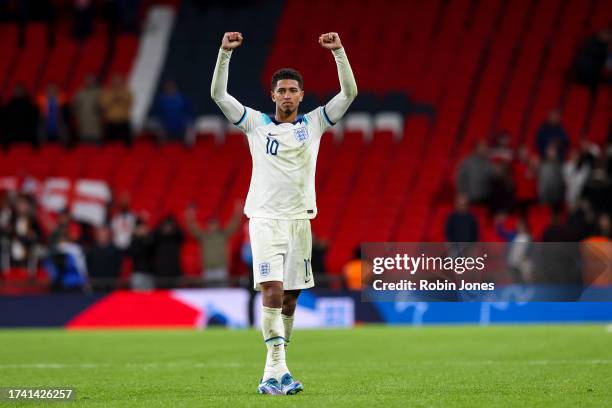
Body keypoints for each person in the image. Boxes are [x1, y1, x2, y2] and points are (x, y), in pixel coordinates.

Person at [211, 31, 357, 395]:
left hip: (300, 222)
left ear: (301, 95)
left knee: (291, 297)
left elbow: (349, 94)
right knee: (272, 291)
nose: (288, 95)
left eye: (293, 90)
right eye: (282, 90)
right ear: (272, 95)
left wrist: (339, 51)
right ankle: (273, 371)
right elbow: (218, 95)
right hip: (264, 220)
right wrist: (224, 54)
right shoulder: (255, 124)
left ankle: (277, 370)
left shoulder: (315, 124)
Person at [185, 200, 242, 287]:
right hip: (208, 270)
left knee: (222, 292)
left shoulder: (223, 235)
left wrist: (238, 211)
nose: (212, 226)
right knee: (209, 293)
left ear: (218, 224)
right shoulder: (203, 237)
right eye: (210, 224)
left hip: (221, 269)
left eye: (214, 223)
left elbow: (234, 224)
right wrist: (190, 215)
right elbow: (191, 227)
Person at [0, 84, 40, 149]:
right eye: (16, 90)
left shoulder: (30, 104)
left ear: (24, 92)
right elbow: (4, 119)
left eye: (20, 90)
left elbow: (34, 118)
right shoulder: (9, 104)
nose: (18, 92)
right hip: (12, 131)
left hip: (26, 131)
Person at [100, 73, 133, 145]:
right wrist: (114, 99)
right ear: (112, 82)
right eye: (115, 81)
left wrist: (119, 98)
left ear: (122, 82)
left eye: (119, 81)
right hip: (111, 122)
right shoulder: (107, 92)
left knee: (126, 145)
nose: (117, 83)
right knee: (109, 145)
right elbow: (103, 105)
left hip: (123, 121)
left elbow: (129, 103)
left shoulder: (127, 92)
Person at [72, 74, 102, 144]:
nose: (89, 82)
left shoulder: (100, 92)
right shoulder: (80, 92)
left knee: (97, 149)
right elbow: (75, 107)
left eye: (91, 80)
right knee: (84, 148)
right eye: (88, 80)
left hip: (96, 125)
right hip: (83, 125)